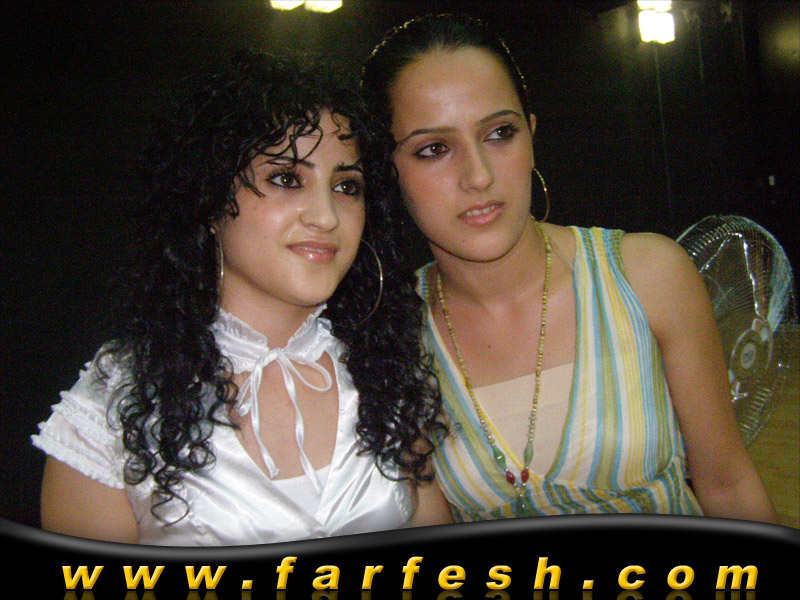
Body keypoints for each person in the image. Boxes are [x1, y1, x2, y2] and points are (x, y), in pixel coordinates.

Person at [361, 13, 778, 523]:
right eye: (433, 149)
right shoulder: (393, 331)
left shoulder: (647, 275)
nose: (479, 175)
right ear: (387, 170)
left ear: (531, 136)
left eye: (500, 133)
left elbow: (728, 484)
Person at [32, 49, 451, 545]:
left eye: (346, 186)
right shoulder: (116, 399)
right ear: (210, 199)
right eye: (286, 178)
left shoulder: (384, 370)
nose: (326, 216)